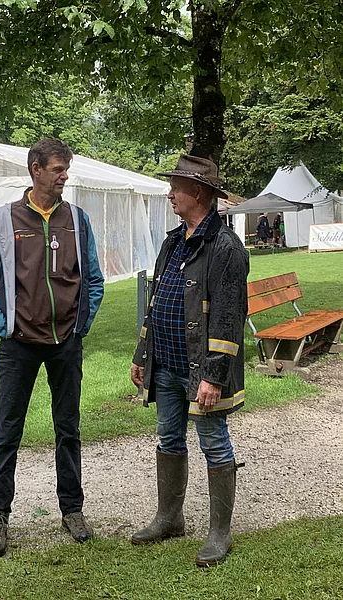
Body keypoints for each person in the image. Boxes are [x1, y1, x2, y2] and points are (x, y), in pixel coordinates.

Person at [0, 138, 104, 556]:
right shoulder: (4, 219)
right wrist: (2, 324)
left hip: (66, 342)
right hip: (19, 345)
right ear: (36, 169)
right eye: (58, 169)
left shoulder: (77, 220)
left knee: (68, 428)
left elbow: (94, 278)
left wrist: (81, 324)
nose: (65, 176)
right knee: (7, 431)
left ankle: (72, 510)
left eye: (66, 169)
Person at [130, 154, 249, 567]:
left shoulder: (226, 247)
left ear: (197, 192)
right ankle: (170, 518)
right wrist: (142, 355)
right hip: (166, 365)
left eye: (175, 188)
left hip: (201, 370)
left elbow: (229, 317)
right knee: (169, 439)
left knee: (213, 442)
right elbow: (156, 303)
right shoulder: (174, 241)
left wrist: (214, 376)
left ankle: (220, 533)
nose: (170, 194)